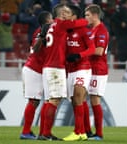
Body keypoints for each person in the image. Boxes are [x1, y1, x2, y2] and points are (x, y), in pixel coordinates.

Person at [38, 4, 88, 141]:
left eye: (68, 12)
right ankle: (46, 133)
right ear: (60, 14)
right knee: (54, 100)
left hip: (48, 66)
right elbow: (84, 22)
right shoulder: (61, 24)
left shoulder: (51, 26)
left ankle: (43, 132)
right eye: (65, 12)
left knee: (49, 100)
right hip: (55, 67)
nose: (67, 14)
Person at [62, 5, 95, 141]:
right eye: (63, 12)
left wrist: (79, 55)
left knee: (78, 97)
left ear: (74, 17)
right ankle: (82, 132)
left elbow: (92, 49)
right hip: (71, 70)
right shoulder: (64, 31)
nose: (64, 15)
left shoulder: (82, 30)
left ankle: (78, 131)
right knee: (74, 101)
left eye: (67, 13)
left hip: (83, 67)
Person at [19, 11, 53, 140]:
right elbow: (37, 48)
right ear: (47, 21)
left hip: (41, 70)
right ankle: (25, 132)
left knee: (43, 101)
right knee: (33, 101)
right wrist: (42, 36)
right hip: (34, 69)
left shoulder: (49, 32)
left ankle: (41, 132)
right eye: (51, 19)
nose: (54, 20)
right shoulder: (40, 32)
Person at [84, 4, 109, 140]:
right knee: (81, 98)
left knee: (95, 100)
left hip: (98, 70)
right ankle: (87, 131)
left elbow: (99, 51)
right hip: (89, 68)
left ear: (95, 15)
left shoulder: (101, 30)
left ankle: (99, 134)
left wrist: (82, 53)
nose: (85, 18)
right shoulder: (90, 30)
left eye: (87, 15)